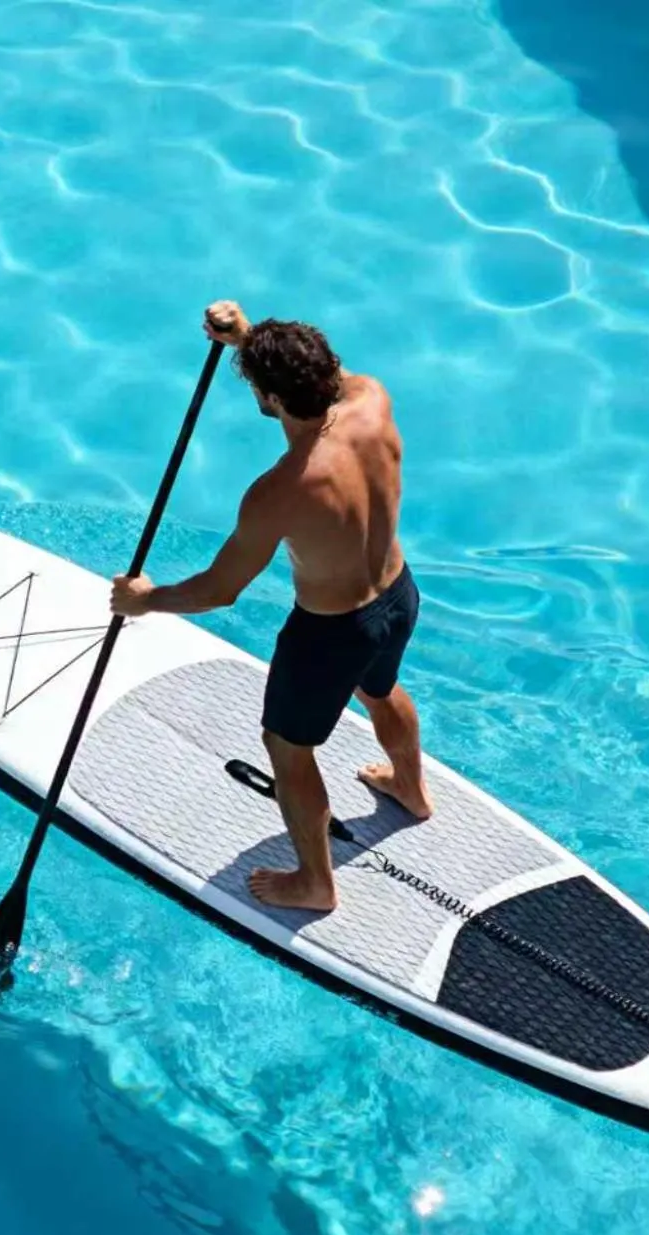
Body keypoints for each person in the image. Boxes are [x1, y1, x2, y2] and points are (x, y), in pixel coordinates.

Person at [110, 300, 432, 913]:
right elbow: (313, 380)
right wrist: (247, 339)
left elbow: (219, 590)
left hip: (331, 632)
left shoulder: (281, 490)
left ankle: (315, 883)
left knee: (287, 748)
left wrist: (146, 600)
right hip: (397, 595)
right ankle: (411, 791)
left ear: (272, 401)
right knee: (382, 689)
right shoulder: (373, 399)